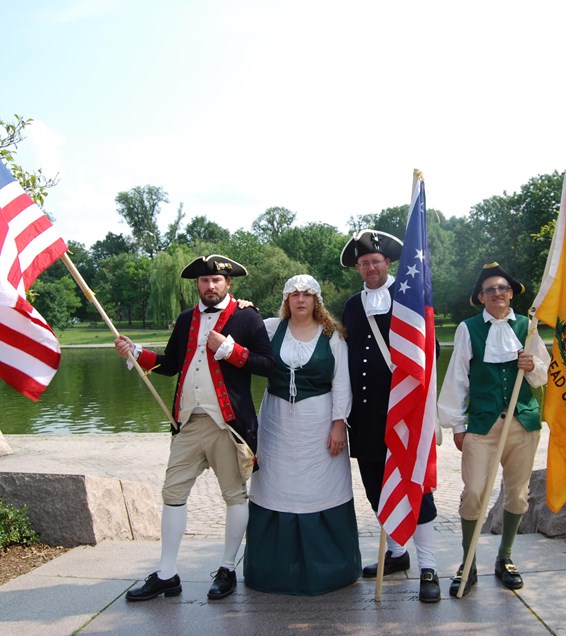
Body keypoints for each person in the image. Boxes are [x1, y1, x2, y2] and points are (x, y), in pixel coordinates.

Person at [115, 254, 275, 602]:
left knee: (234, 496)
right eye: (204, 281)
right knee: (172, 495)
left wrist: (230, 350)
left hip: (227, 426)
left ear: (228, 283)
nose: (210, 286)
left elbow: (268, 365)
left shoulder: (248, 317)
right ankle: (167, 574)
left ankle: (227, 568)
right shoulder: (187, 318)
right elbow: (170, 365)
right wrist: (135, 352)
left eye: (217, 280)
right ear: (197, 286)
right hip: (188, 423)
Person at [243, 274, 361, 595]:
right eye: (294, 294)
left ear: (316, 301)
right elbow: (240, 336)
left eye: (306, 294)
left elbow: (341, 382)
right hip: (277, 422)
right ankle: (274, 571)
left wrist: (339, 423)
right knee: (275, 483)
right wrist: (242, 308)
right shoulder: (269, 328)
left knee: (320, 486)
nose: (300, 299)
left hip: (319, 422)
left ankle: (329, 569)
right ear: (286, 300)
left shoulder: (332, 335)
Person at [437, 262, 550, 597]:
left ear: (511, 293)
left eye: (502, 288)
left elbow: (542, 375)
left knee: (517, 494)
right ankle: (468, 562)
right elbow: (458, 376)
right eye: (490, 290)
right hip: (482, 424)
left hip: (523, 421)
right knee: (473, 494)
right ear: (481, 297)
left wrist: (532, 365)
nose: (497, 294)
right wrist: (457, 424)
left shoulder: (527, 327)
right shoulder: (468, 328)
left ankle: (506, 558)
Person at [340, 230, 441, 604]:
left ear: (388, 263)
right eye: (363, 263)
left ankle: (428, 566)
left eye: (376, 261)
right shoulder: (352, 305)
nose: (370, 267)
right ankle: (398, 554)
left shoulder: (410, 297)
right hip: (366, 418)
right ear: (358, 268)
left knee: (417, 490)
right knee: (376, 490)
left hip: (406, 414)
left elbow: (429, 351)